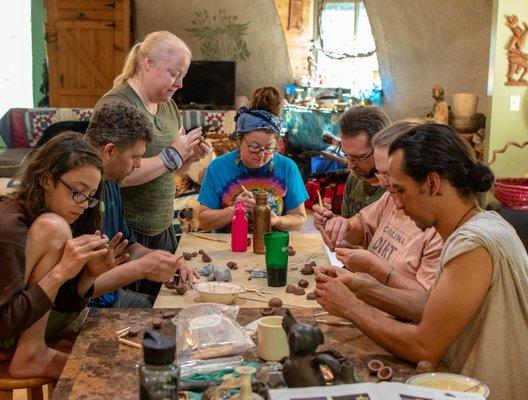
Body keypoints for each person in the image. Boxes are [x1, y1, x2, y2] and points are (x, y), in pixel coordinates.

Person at [314, 123, 528, 400]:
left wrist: (351, 307)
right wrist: (361, 286)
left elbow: (425, 346)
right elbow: (432, 306)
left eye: (401, 191)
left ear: (432, 183)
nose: (398, 205)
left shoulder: (472, 243)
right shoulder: (482, 225)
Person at [0, 133, 115, 378]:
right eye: (77, 191)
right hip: (5, 328)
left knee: (112, 363)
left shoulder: (59, 214)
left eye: (90, 196)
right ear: (45, 179)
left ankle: (36, 350)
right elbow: (3, 323)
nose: (83, 204)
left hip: (17, 324)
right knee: (52, 226)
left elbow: (62, 304)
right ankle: (32, 353)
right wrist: (61, 271)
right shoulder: (11, 226)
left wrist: (89, 275)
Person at [93, 31, 212, 258]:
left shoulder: (169, 107)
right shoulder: (118, 104)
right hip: (124, 232)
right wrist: (172, 154)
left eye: (182, 76)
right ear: (147, 63)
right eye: (173, 73)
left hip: (162, 227)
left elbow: (174, 170)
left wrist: (188, 156)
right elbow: (113, 175)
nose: (179, 84)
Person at [313, 121, 442, 322]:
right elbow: (364, 226)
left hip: (397, 325)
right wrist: (344, 227)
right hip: (373, 313)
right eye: (379, 173)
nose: (382, 183)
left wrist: (373, 268)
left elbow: (427, 307)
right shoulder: (391, 197)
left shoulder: (440, 226)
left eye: (388, 175)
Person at [85, 101, 199, 307]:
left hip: (112, 297)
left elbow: (128, 246)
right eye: (135, 156)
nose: (139, 164)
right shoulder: (79, 199)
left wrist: (163, 259)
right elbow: (76, 292)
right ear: (109, 151)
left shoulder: (111, 183)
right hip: (89, 307)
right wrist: (142, 269)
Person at [198, 87, 308, 232]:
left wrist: (277, 221)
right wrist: (233, 210)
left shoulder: (287, 167)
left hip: (271, 246)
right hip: (230, 248)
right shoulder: (218, 167)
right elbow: (204, 222)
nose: (262, 155)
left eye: (269, 148)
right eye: (254, 147)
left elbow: (299, 219)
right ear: (240, 140)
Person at [338, 106, 389, 219]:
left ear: (382, 147)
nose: (350, 165)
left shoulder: (395, 190)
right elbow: (348, 232)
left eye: (359, 157)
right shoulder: (354, 178)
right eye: (347, 155)